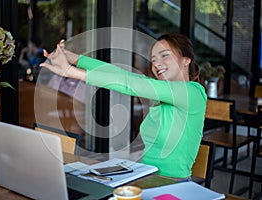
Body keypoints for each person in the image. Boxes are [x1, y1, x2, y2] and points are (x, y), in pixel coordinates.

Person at [40, 33, 207, 181]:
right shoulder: (161, 93)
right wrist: (71, 57)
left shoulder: (193, 93)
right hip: (144, 175)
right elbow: (121, 75)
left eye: (165, 56)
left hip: (172, 183)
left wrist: (70, 72)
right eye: (154, 59)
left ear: (186, 60)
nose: (157, 64)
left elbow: (129, 83)